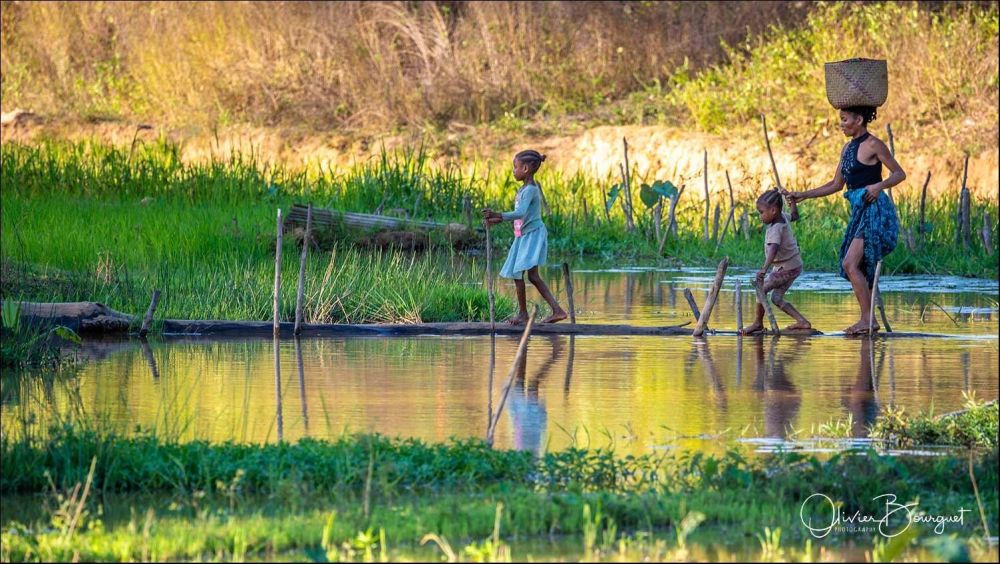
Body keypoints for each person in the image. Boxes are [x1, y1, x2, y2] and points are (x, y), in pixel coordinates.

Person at [786, 106, 906, 334]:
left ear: (858, 119)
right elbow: (836, 185)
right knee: (854, 264)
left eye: (844, 119)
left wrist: (879, 185)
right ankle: (867, 319)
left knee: (850, 263)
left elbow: (899, 174)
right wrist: (803, 195)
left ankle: (867, 320)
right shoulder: (847, 149)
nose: (841, 124)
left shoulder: (874, 145)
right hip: (859, 211)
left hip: (875, 210)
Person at [482, 150, 568, 324]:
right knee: (521, 274)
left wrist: (497, 213)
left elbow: (519, 213)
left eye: (516, 167)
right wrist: (496, 219)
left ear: (526, 168)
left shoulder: (530, 190)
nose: (513, 170)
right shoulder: (522, 190)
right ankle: (527, 313)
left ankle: (553, 311)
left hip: (532, 235)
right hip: (523, 236)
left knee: (530, 275)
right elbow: (521, 216)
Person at [739, 189, 812, 335]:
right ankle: (802, 322)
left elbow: (773, 251)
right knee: (776, 298)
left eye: (761, 212)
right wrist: (791, 203)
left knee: (762, 289)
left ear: (773, 210)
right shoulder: (783, 217)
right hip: (792, 265)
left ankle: (758, 323)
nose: (760, 216)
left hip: (787, 267)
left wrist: (764, 269)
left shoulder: (776, 228)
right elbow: (795, 216)